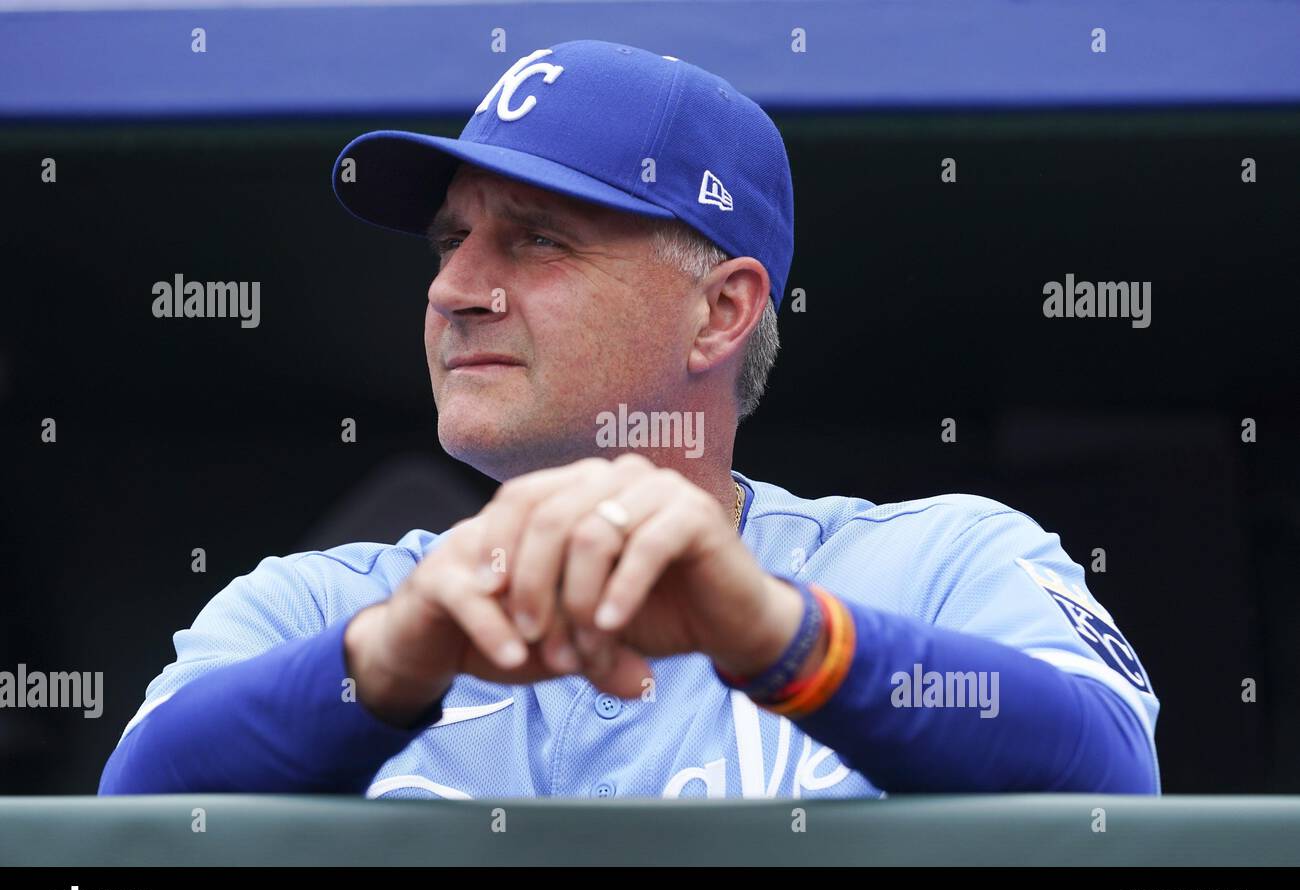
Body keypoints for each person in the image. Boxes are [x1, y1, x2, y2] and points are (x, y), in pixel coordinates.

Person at [100, 40, 1159, 799]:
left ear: (721, 310)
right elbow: (134, 811)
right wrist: (385, 661)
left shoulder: (938, 561)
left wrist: (774, 633)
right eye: (447, 240)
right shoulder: (323, 603)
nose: (453, 288)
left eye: (535, 240)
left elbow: (1110, 776)